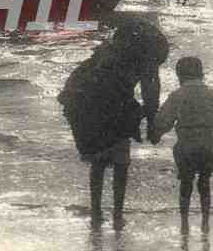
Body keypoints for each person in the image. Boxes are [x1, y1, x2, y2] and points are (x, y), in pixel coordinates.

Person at [57, 20, 169, 230]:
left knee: (98, 160)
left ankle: (96, 212)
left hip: (82, 101)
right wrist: (151, 123)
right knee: (120, 163)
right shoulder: (146, 57)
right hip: (111, 104)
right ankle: (117, 214)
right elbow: (150, 92)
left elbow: (76, 88)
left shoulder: (104, 55)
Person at [151, 56, 213, 234]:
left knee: (186, 183)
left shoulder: (177, 95)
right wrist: (210, 130)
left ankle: (184, 223)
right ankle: (205, 222)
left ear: (179, 74)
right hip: (210, 145)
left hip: (186, 146)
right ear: (201, 73)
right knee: (204, 181)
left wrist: (155, 133)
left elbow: (164, 121)